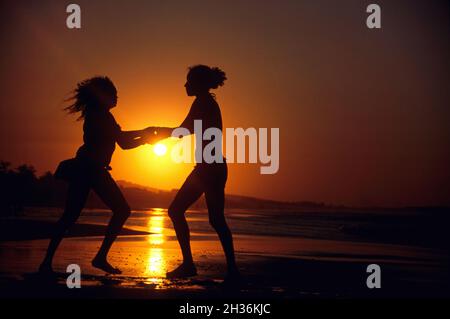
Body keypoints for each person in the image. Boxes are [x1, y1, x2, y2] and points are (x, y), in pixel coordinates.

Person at [39, 76, 157, 275]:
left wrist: (144, 137)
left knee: (70, 217)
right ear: (103, 96)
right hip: (90, 170)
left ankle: (48, 263)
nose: (117, 98)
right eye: (113, 94)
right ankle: (98, 257)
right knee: (120, 210)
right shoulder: (99, 116)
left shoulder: (101, 115)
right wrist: (145, 134)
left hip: (90, 169)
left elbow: (124, 144)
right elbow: (122, 139)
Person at [155, 65, 240, 281]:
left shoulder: (203, 103)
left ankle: (191, 265)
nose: (185, 85)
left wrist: (152, 133)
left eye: (189, 81)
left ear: (199, 84)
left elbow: (182, 131)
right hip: (212, 167)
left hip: (208, 169)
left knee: (177, 211)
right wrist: (155, 133)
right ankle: (230, 269)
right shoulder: (205, 102)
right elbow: (184, 130)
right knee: (215, 219)